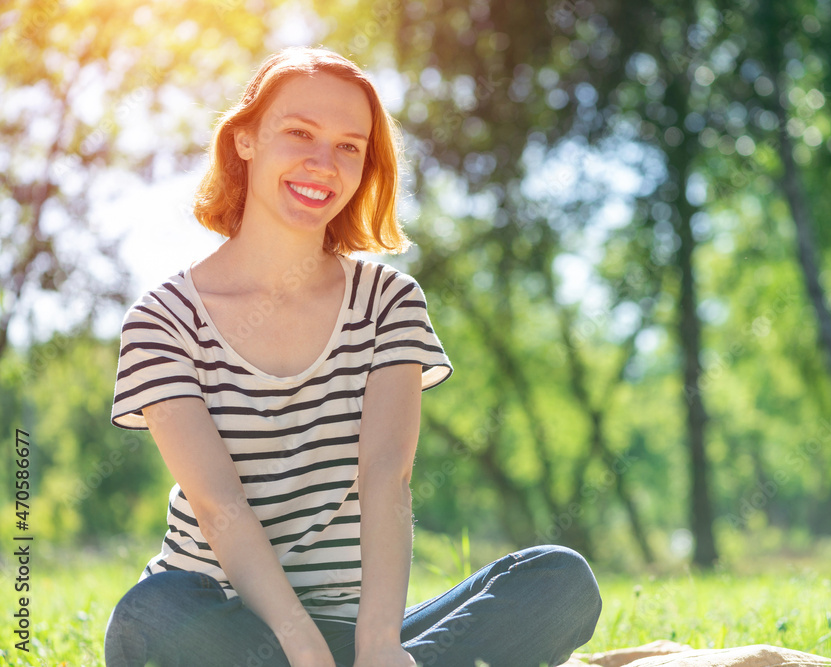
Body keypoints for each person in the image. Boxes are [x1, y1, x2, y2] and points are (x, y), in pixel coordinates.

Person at [103, 46, 601, 667]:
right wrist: (302, 647)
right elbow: (216, 503)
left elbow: (385, 476)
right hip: (223, 628)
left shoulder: (389, 302)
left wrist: (378, 645)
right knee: (152, 611)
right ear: (245, 140)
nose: (323, 163)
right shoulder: (163, 320)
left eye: (348, 146)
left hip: (353, 636)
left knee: (557, 581)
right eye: (299, 133)